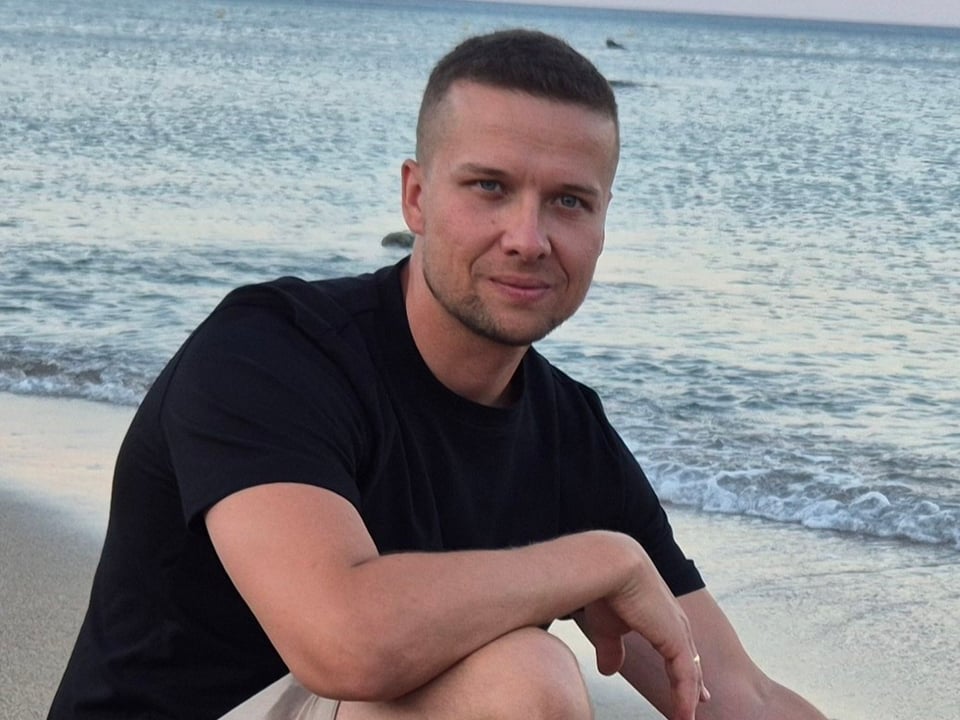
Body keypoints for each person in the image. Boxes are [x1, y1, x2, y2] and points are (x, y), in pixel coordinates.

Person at [49, 29, 828, 720]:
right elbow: (341, 641)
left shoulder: (569, 438)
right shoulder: (269, 351)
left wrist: (606, 563)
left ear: (602, 225)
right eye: (490, 187)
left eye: (568, 201)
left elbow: (739, 700)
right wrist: (595, 563)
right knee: (521, 681)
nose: (528, 237)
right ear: (416, 198)